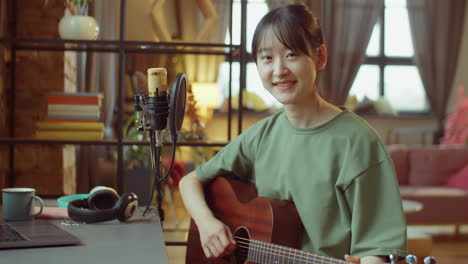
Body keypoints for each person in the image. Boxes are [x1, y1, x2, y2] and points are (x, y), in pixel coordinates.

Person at [179, 3, 407, 264]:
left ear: (320, 57)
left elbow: (377, 248)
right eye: (266, 58)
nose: (278, 70)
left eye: (291, 55)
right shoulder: (262, 135)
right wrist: (207, 223)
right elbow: (190, 181)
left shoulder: (358, 142)